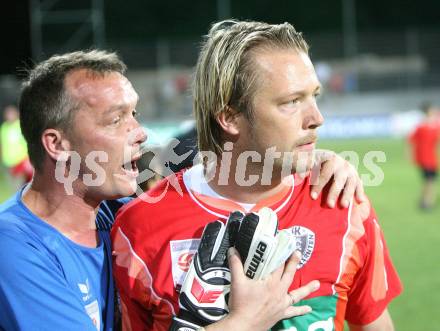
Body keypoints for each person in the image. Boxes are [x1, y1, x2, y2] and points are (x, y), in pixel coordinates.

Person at [0, 49, 364, 331]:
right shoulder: (15, 248)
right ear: (57, 144)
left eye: (135, 115)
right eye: (115, 120)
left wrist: (307, 161)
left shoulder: (116, 214)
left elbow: (213, 171)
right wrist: (242, 322)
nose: (139, 132)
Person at [112, 20, 402, 331]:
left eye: (314, 96)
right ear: (230, 117)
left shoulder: (342, 203)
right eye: (291, 102)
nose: (317, 118)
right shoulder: (139, 226)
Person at [408, 102, 440, 210]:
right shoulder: (422, 127)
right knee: (430, 181)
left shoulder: (434, 126)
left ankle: (424, 200)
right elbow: (411, 141)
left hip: (432, 159)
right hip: (426, 159)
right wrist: (411, 155)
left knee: (429, 181)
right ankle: (427, 202)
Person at [0, 104, 33, 186]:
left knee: (24, 186)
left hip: (22, 161)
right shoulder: (4, 128)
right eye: (8, 114)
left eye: (11, 113)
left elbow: (29, 141)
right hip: (9, 163)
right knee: (14, 187)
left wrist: (28, 159)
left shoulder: (21, 125)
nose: (9, 116)